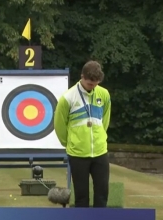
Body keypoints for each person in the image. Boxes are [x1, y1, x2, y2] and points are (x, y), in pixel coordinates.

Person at [53, 60, 111, 208]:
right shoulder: (68, 97)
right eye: (90, 84)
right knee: (81, 196)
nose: (93, 86)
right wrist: (71, 143)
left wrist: (100, 138)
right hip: (78, 153)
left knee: (102, 192)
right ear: (82, 77)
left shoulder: (104, 94)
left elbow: (105, 120)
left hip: (100, 151)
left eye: (96, 83)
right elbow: (59, 125)